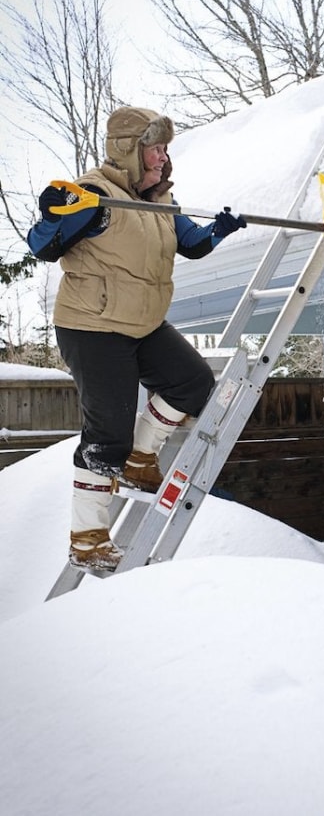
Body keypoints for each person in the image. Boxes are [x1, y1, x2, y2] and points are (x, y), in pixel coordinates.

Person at [27, 106, 247, 573]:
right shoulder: (96, 196)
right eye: (155, 148)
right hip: (92, 327)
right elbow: (42, 245)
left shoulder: (160, 203)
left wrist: (219, 231)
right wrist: (52, 215)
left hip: (143, 324)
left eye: (165, 149)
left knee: (192, 383)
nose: (163, 157)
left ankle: (142, 457)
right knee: (107, 436)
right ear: (129, 150)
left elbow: (192, 243)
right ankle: (87, 539)